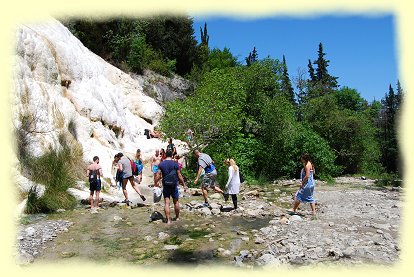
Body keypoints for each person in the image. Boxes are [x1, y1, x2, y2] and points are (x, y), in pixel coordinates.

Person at [155, 150, 187, 224]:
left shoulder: (161, 164)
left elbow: (158, 175)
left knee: (167, 203)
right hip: (174, 185)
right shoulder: (175, 164)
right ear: (172, 155)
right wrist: (184, 184)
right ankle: (177, 218)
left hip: (166, 185)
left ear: (165, 155)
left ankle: (168, 220)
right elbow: (179, 175)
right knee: (176, 201)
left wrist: (155, 183)